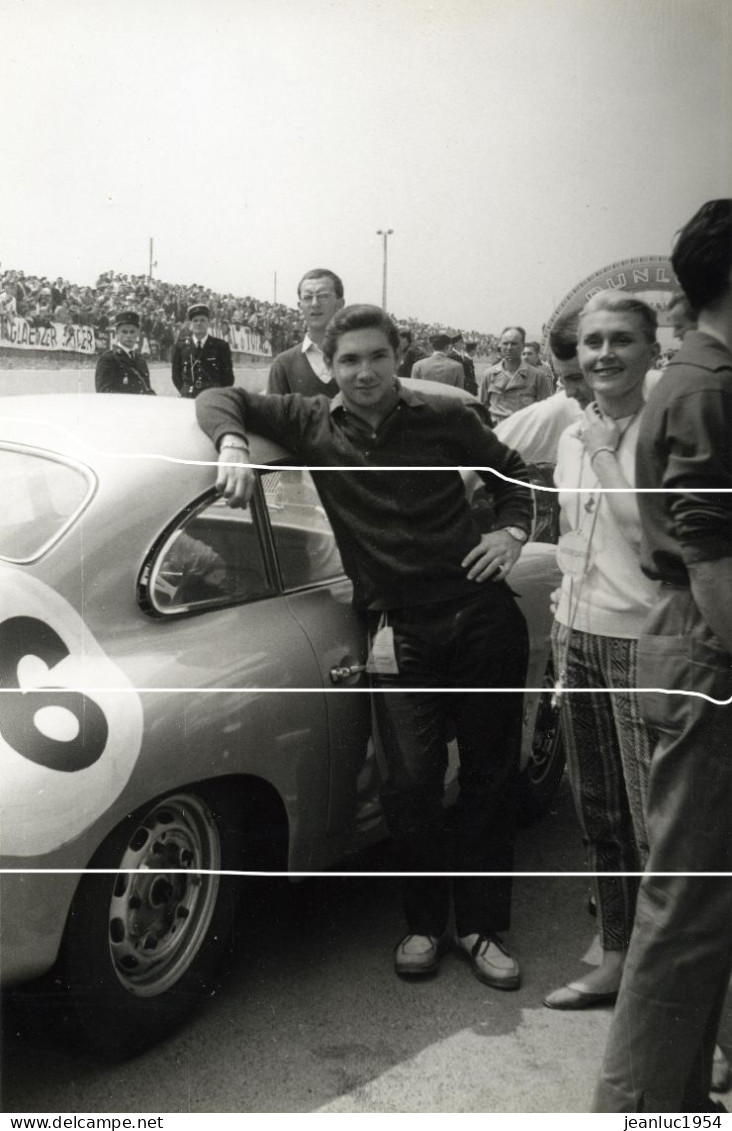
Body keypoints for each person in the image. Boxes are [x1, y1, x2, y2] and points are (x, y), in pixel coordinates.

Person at [195, 304, 533, 989]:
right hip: (400, 626)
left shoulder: (443, 418)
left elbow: (515, 474)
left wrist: (512, 534)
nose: (364, 371)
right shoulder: (313, 420)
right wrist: (232, 442)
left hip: (481, 615)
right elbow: (218, 394)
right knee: (408, 783)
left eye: (376, 356)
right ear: (329, 363)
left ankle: (481, 926)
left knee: (490, 778)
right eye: (348, 360)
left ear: (398, 354)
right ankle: (421, 924)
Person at [594, 199, 732, 1113]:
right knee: (686, 905)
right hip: (710, 642)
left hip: (696, 641)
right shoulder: (706, 388)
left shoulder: (697, 379)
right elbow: (716, 567)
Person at [544, 291, 661, 1011]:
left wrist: (605, 450)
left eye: (621, 339)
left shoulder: (663, 429)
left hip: (641, 640)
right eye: (592, 342)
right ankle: (617, 957)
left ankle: (690, 1005)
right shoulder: (571, 433)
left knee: (658, 828)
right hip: (575, 634)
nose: (604, 355)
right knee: (600, 814)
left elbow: (651, 541)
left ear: (653, 351)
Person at [494, 316, 591, 464]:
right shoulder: (555, 409)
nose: (569, 392)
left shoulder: (540, 374)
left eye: (577, 378)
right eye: (564, 380)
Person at [266, 269, 344, 397]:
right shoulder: (283, 364)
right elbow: (273, 415)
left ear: (340, 304)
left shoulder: (361, 357)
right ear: (300, 306)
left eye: (323, 296)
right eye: (307, 298)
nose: (314, 304)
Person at [480, 325, 551, 424]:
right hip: (496, 433)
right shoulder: (489, 374)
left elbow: (545, 411)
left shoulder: (537, 376)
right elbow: (483, 408)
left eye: (514, 344)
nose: (509, 347)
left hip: (523, 433)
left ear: (522, 346)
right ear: (500, 345)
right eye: (505, 343)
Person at [171, 303, 235, 398]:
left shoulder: (221, 346)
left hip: (212, 396)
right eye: (195, 321)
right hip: (188, 395)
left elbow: (228, 378)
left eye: (202, 320)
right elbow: (176, 375)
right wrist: (184, 390)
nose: (198, 323)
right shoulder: (181, 346)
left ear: (208, 323)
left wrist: (218, 394)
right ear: (190, 324)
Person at [95, 311, 156, 395]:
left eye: (132, 332)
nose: (128, 336)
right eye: (124, 332)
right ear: (116, 333)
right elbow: (104, 392)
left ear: (138, 333)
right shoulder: (109, 359)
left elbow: (146, 388)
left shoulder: (140, 359)